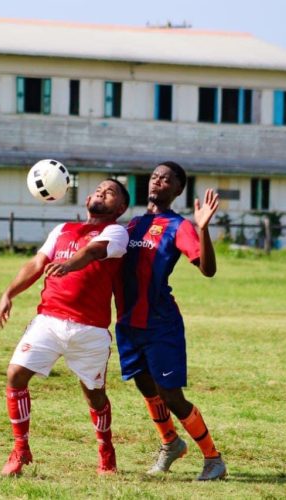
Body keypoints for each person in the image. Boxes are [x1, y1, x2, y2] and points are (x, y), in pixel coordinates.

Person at [0, 179, 130, 477]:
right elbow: (37, 263)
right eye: (98, 189)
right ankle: (20, 449)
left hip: (90, 330)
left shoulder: (117, 232)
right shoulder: (63, 229)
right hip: (49, 320)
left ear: (120, 207)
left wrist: (69, 265)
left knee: (95, 395)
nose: (102, 192)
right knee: (15, 374)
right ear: (87, 199)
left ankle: (106, 449)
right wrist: (8, 293)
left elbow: (94, 252)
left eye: (111, 192)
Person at [113, 161, 227, 480]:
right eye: (154, 177)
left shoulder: (179, 226)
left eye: (166, 179)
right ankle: (170, 443)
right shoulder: (132, 224)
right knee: (145, 385)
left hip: (160, 324)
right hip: (127, 323)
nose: (158, 182)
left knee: (170, 395)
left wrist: (203, 229)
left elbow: (208, 268)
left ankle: (213, 459)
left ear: (178, 189)